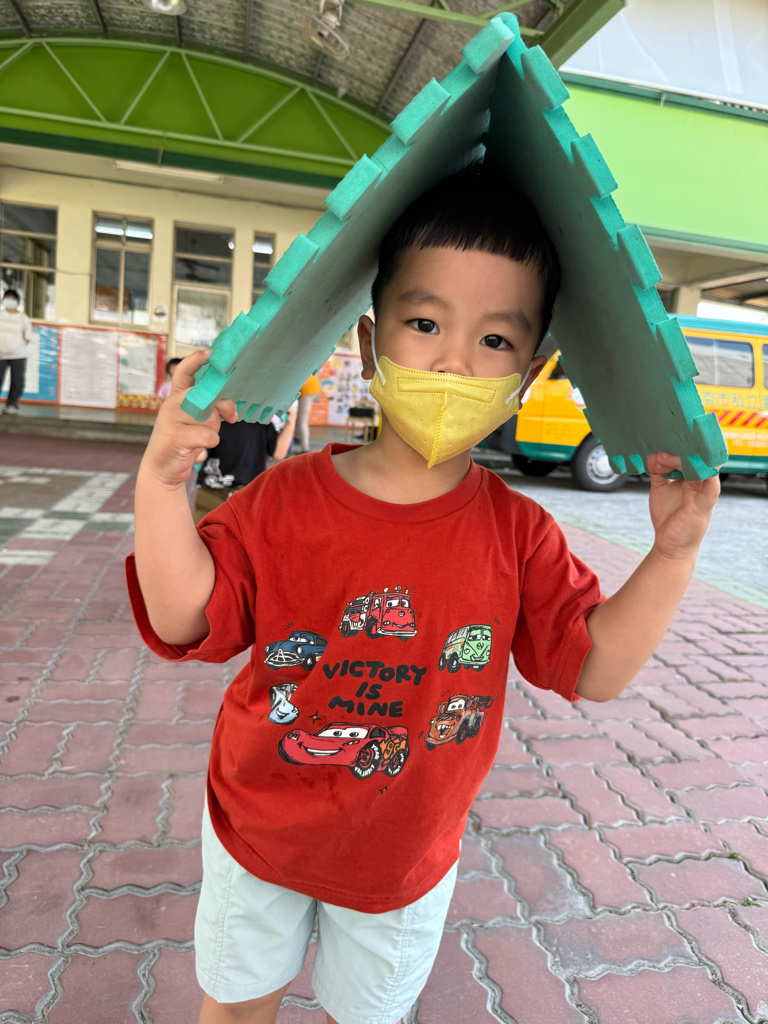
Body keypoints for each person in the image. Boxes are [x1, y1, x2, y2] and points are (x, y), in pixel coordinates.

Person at [126, 164, 720, 1024]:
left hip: (403, 861)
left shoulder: (519, 535)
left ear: (528, 373)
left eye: (495, 340)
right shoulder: (283, 500)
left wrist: (671, 555)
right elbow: (184, 615)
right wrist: (160, 483)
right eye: (425, 322)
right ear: (371, 344)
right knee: (237, 1007)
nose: (453, 360)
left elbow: (594, 668)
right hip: (258, 829)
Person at [193, 405, 297, 524]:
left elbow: (278, 453)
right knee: (203, 532)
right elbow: (200, 455)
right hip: (211, 493)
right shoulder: (217, 419)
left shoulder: (262, 421)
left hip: (247, 495)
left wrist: (291, 421)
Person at [0, 288, 35, 414]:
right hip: (1, 356)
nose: (9, 300)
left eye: (12, 298)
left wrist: (16, 347)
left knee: (17, 381)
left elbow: (28, 337)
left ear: (17, 301)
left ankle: (12, 405)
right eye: (7, 298)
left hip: (18, 356)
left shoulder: (23, 318)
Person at [296, 374, 321, 453]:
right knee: (298, 416)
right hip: (315, 388)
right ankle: (298, 437)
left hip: (306, 392)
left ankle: (305, 448)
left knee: (303, 422)